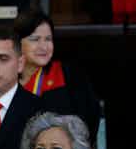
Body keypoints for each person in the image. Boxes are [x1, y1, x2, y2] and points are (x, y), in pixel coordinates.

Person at [13, 10, 101, 139]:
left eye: (48, 39)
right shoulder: (4, 79)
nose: (43, 47)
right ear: (18, 43)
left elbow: (89, 121)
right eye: (35, 39)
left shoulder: (68, 75)